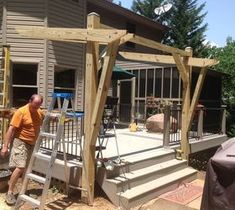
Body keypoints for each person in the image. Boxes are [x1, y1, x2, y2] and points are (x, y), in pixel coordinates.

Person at [0, 94, 44, 205]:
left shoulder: (39, 112)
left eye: (37, 106)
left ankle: (23, 192)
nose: (35, 109)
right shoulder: (21, 112)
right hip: (21, 142)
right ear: (30, 101)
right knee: (20, 167)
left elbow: (45, 120)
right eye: (33, 106)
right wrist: (5, 146)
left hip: (32, 144)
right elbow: (11, 130)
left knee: (27, 169)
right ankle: (9, 193)